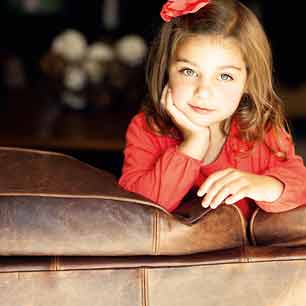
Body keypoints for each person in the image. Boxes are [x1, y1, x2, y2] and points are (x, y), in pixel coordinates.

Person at [118, 0, 306, 221]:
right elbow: (139, 209)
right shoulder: (147, 128)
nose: (204, 92)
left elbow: (299, 183)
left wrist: (265, 185)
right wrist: (193, 144)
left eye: (225, 76)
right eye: (188, 71)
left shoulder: (260, 130)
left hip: (238, 255)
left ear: (247, 81)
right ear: (167, 69)